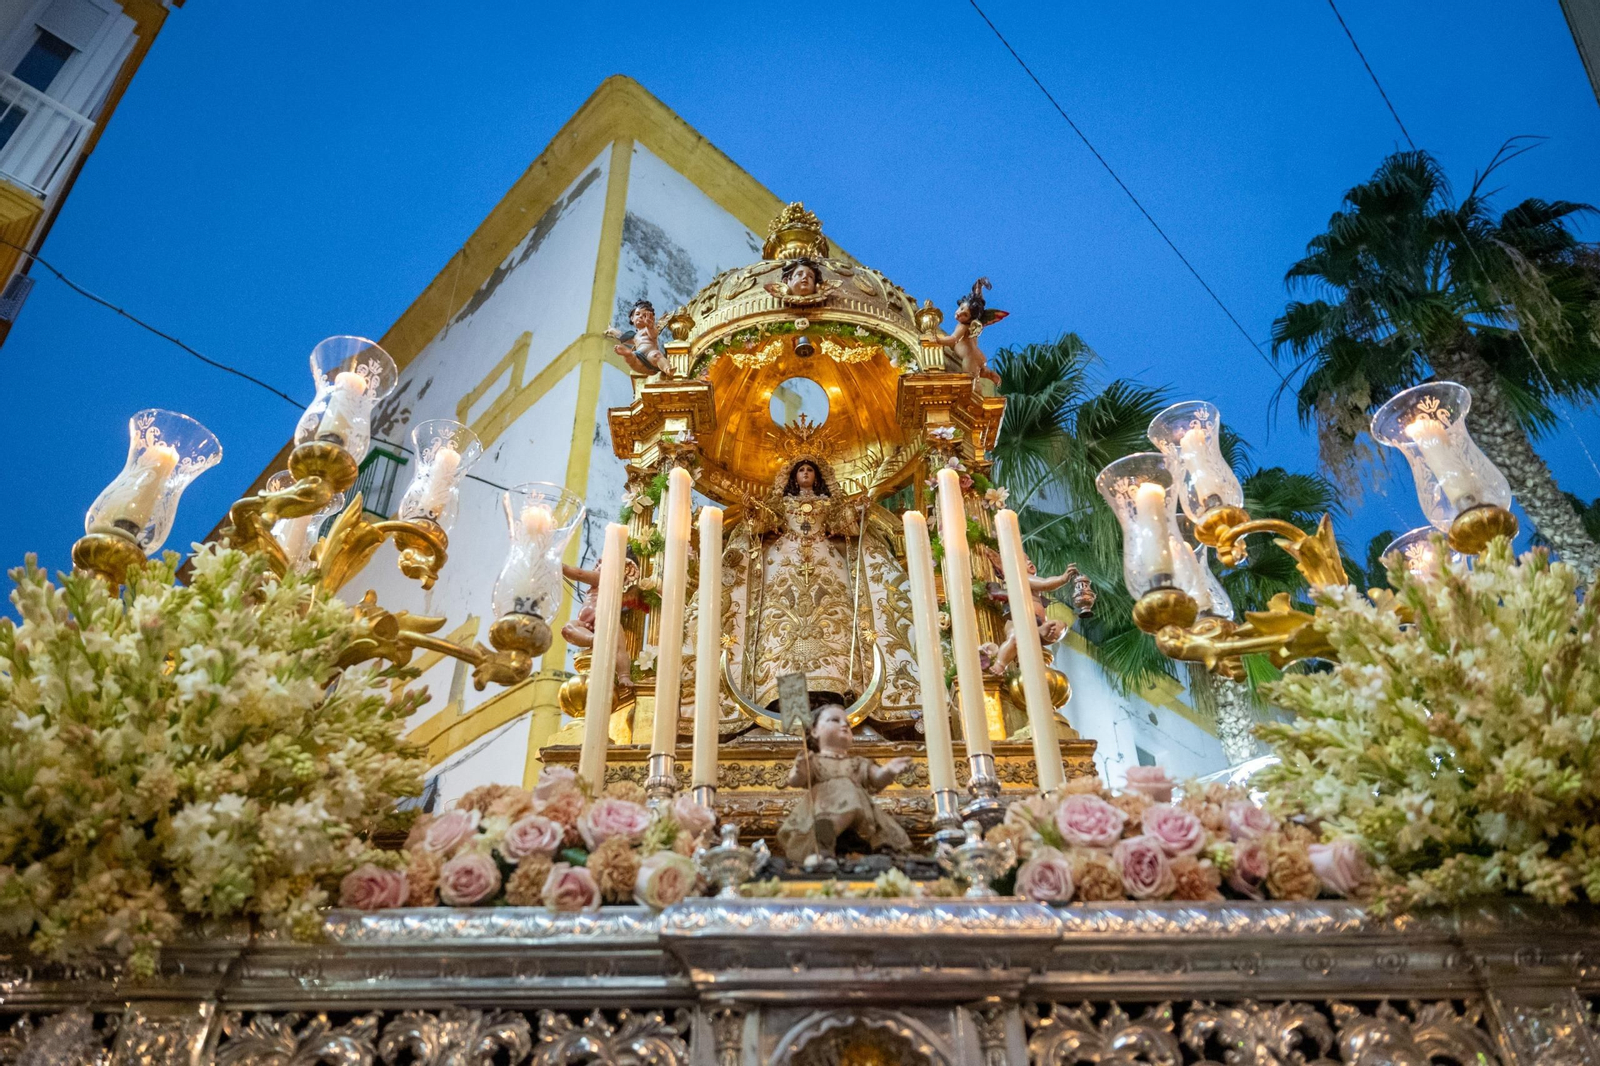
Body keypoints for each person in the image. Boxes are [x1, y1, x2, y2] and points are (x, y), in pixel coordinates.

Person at [777, 703, 913, 862]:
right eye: (834, 720)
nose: (844, 725)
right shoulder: (813, 761)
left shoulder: (858, 762)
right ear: (814, 731)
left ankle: (883, 851)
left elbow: (876, 778)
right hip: (825, 806)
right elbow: (795, 781)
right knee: (843, 791)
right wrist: (800, 769)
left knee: (884, 831)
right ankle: (823, 845)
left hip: (861, 812)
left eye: (847, 724)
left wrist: (888, 771)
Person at [562, 555, 637, 691]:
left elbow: (579, 574)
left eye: (599, 564)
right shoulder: (607, 582)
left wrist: (561, 567)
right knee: (569, 628)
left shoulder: (605, 576)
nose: (596, 567)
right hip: (586, 622)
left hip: (603, 616)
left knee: (618, 645)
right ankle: (595, 640)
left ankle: (624, 675)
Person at [923, 277, 1008, 385]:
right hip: (979, 356)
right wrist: (978, 288)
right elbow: (977, 301)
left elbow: (953, 339)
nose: (960, 313)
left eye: (965, 314)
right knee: (981, 372)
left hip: (969, 357)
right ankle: (989, 374)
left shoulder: (963, 327)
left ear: (971, 319)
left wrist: (939, 340)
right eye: (961, 308)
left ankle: (983, 379)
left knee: (971, 382)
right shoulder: (972, 327)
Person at [606, 299, 673, 377]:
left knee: (656, 355)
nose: (641, 316)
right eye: (637, 314)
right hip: (638, 359)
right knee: (630, 358)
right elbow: (622, 336)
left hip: (651, 357)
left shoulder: (648, 330)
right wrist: (612, 330)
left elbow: (653, 335)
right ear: (632, 318)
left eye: (644, 315)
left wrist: (650, 326)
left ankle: (668, 369)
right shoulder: (634, 336)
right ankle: (627, 354)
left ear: (651, 318)